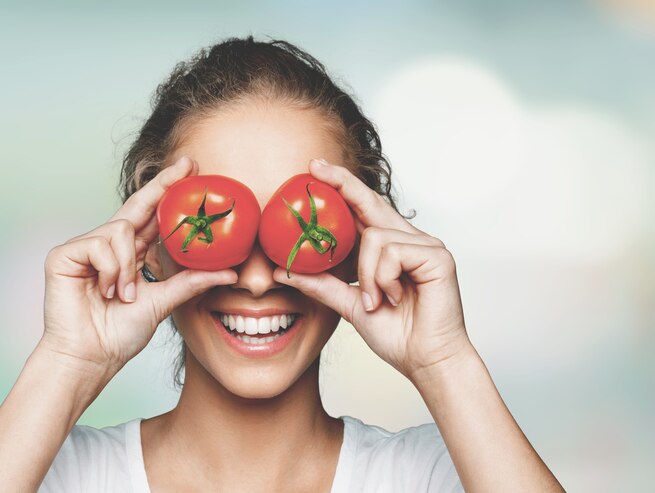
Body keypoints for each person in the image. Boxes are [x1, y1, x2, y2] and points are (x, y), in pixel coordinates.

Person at [0, 36, 564, 492]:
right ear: (150, 243)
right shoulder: (52, 473)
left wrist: (446, 361)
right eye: (215, 226)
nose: (257, 277)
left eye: (302, 227)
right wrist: (67, 360)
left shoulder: (436, 477)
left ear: (361, 245)